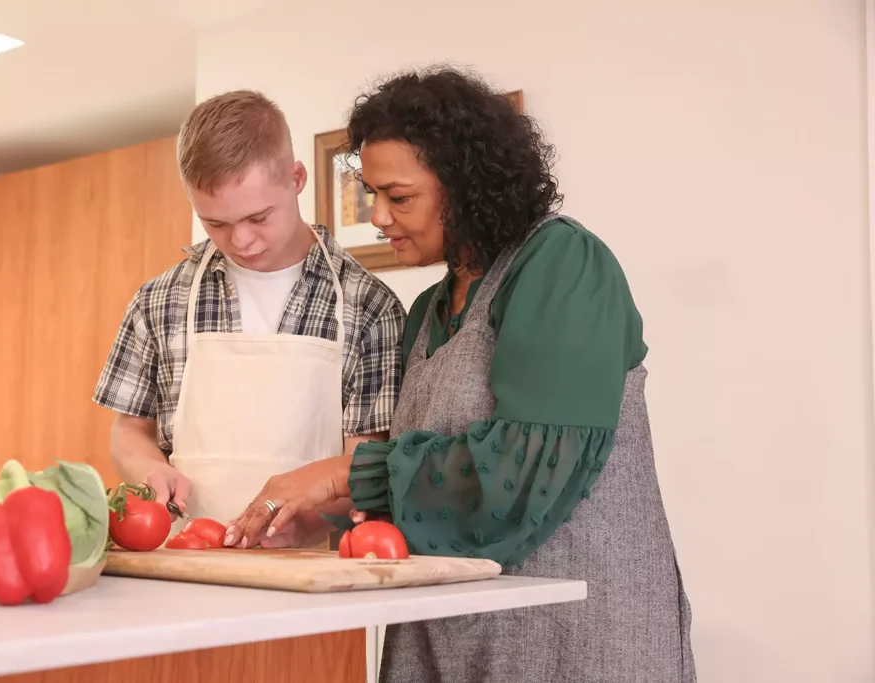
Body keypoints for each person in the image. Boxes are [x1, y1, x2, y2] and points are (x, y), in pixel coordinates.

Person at [226, 68, 697, 682]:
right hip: (446, 636)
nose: (378, 217)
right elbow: (423, 487)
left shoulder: (563, 266)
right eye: (372, 194)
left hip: (575, 634)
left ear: (467, 186)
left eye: (399, 196)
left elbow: (525, 470)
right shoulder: (426, 311)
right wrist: (324, 522)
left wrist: (341, 473)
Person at [93, 90, 406, 548]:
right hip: (186, 558)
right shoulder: (159, 300)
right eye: (215, 223)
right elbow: (130, 431)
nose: (241, 240)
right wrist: (150, 469)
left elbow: (365, 458)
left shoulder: (370, 307)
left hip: (314, 575)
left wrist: (315, 518)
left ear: (296, 179)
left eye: (259, 216)